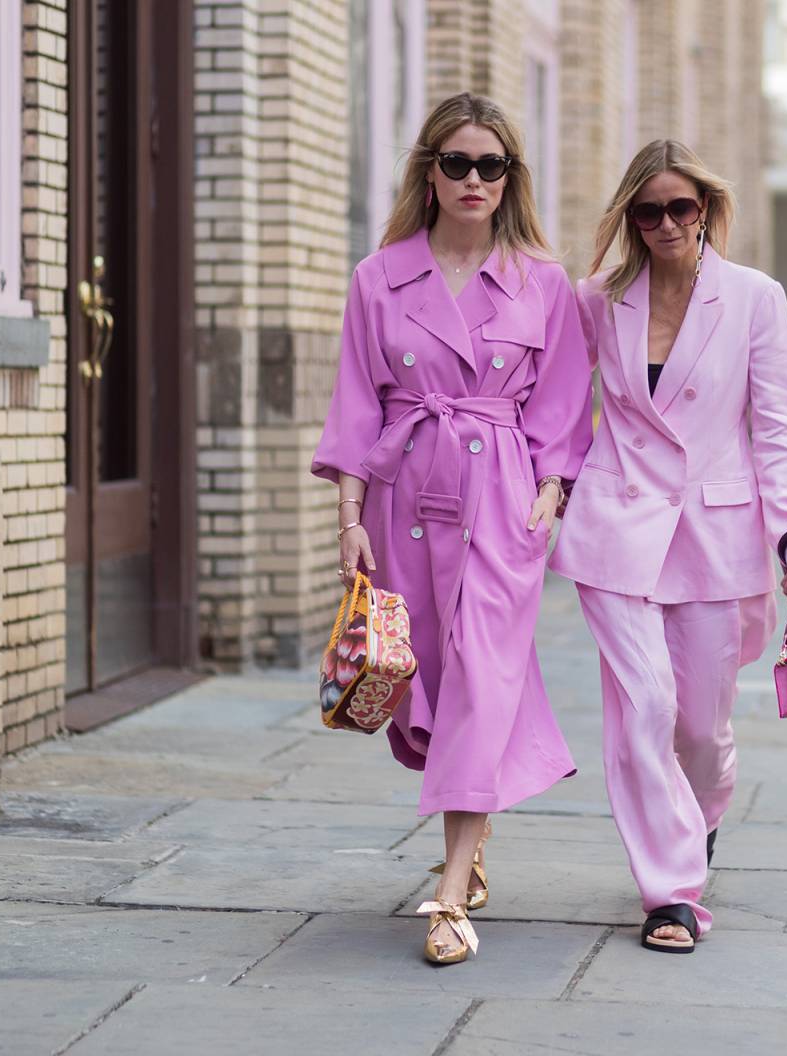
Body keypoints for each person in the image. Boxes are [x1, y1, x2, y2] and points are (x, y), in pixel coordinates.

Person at [311, 92, 592, 965]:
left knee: (484, 675)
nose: (476, 180)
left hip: (503, 500)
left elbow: (564, 407)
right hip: (405, 499)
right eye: (459, 163)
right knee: (424, 681)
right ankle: (467, 851)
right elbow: (358, 404)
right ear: (430, 174)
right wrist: (349, 518)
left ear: (511, 180)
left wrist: (551, 491)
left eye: (493, 166)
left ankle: (447, 894)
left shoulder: (543, 283)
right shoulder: (378, 277)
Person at [550, 140, 787, 954]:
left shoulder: (753, 298)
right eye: (648, 210)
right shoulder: (599, 298)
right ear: (630, 217)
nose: (666, 223)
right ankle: (669, 894)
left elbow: (775, 428)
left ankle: (694, 824)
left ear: (706, 209)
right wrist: (548, 491)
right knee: (644, 712)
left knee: (700, 727)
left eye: (681, 208)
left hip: (716, 531)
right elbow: (563, 408)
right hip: (616, 528)